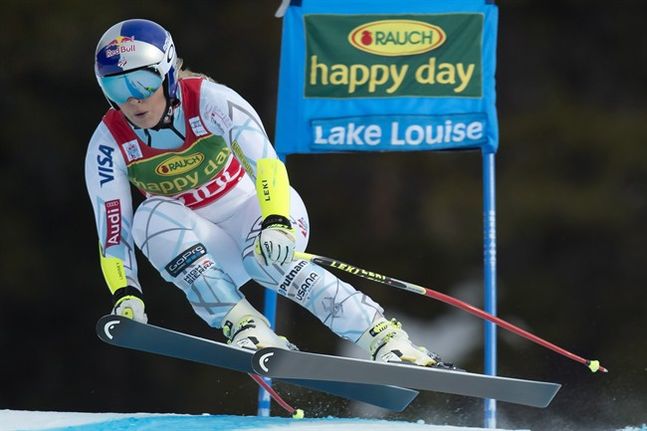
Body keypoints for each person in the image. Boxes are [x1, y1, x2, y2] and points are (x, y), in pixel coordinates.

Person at [85, 18, 451, 368]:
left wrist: (276, 221)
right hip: (207, 246)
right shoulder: (109, 141)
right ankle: (247, 326)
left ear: (166, 73)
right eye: (117, 88)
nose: (133, 100)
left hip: (260, 209)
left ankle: (386, 339)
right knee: (148, 218)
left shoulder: (210, 100)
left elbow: (266, 164)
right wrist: (126, 293)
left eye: (142, 83)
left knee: (265, 258)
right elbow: (113, 230)